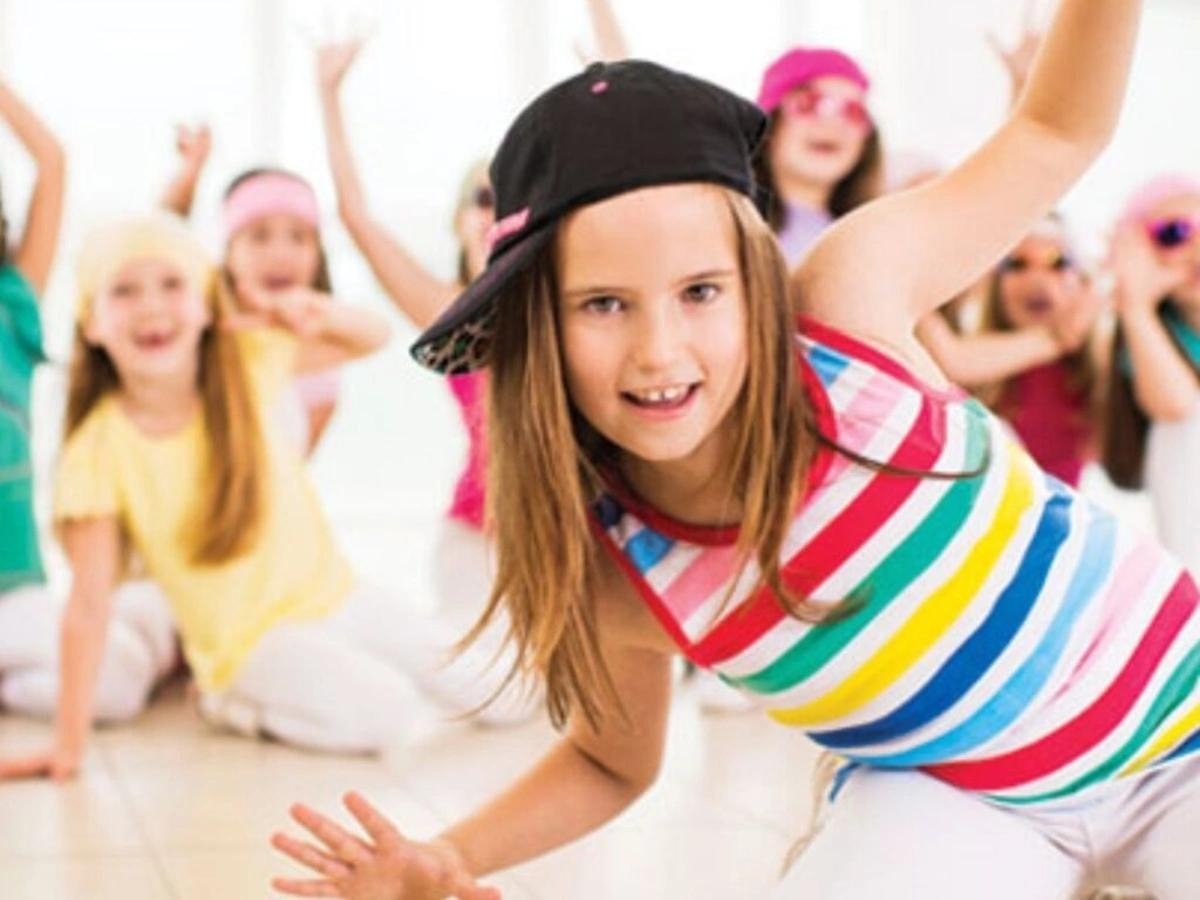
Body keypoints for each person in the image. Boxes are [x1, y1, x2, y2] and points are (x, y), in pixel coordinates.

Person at [275, 3, 1197, 897]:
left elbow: (1056, 130)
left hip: (1182, 730)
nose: (659, 352)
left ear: (755, 279)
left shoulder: (850, 303)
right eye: (603, 304)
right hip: (959, 801)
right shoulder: (612, 557)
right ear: (536, 330)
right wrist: (447, 855)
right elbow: (608, 761)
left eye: (701, 292)